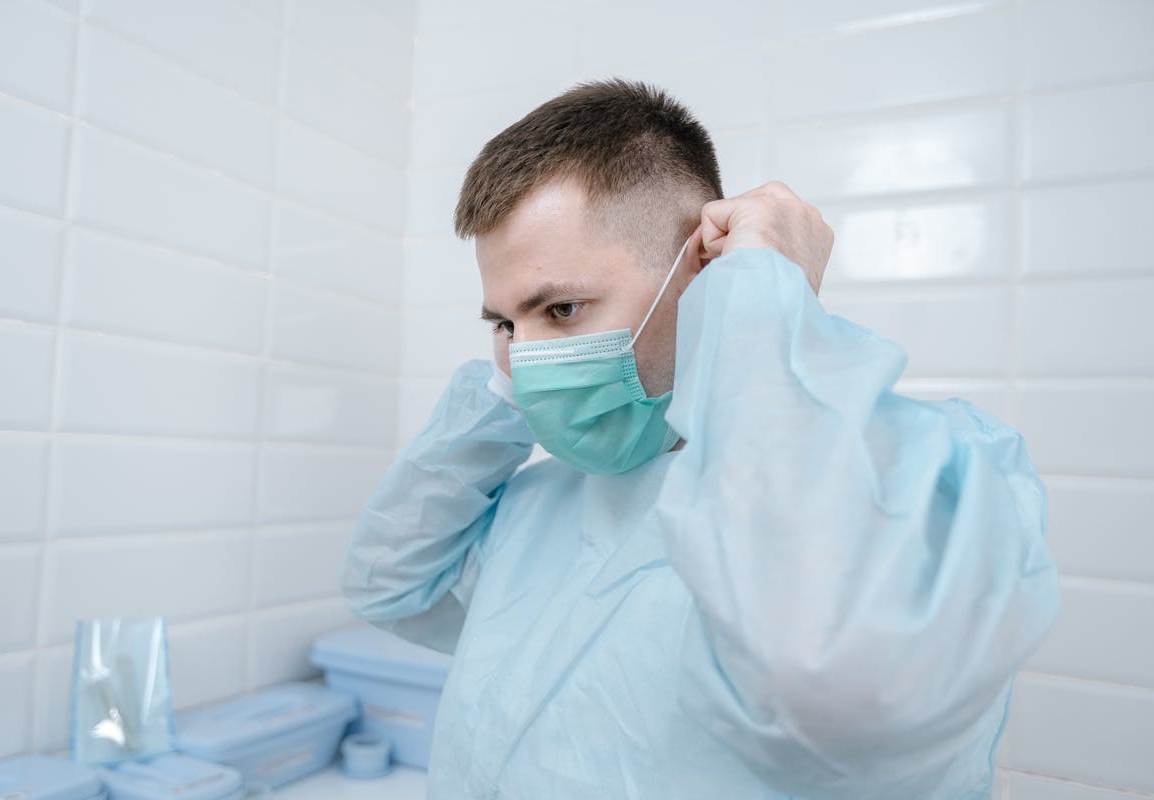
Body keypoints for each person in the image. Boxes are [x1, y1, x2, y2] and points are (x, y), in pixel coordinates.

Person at [341, 78, 1060, 799]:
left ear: (703, 273)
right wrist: (508, 390)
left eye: (561, 308)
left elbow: (832, 683)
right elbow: (391, 587)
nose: (523, 358)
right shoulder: (540, 502)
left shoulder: (934, 478)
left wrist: (763, 297)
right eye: (503, 323)